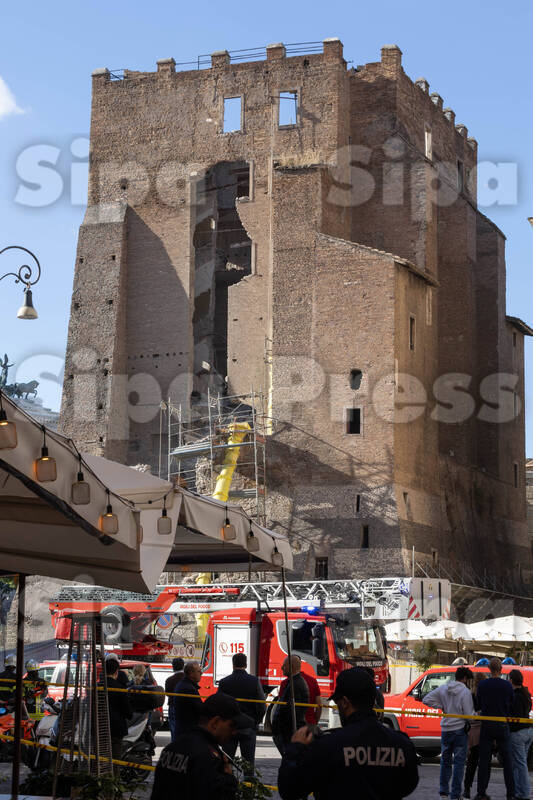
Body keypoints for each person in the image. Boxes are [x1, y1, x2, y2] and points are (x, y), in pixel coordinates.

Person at [278, 666, 419, 800]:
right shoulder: (402, 745)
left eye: (338, 703)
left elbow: (290, 790)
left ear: (344, 702)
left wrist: (295, 748)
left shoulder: (328, 746)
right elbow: (409, 785)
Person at [151, 693, 250, 800]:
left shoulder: (172, 748)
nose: (234, 732)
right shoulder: (208, 757)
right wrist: (228, 779)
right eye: (232, 725)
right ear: (215, 722)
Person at [424, 666, 474, 800]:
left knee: (445, 762)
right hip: (459, 731)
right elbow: (469, 715)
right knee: (458, 763)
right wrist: (476, 715)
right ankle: (456, 794)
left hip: (446, 729)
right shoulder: (465, 692)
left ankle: (443, 793)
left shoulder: (444, 688)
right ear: (464, 678)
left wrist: (442, 707)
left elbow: (426, 699)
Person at [475, 656, 515, 800]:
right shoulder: (507, 686)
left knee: (484, 760)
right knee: (507, 761)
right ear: (501, 669)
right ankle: (511, 793)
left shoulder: (482, 685)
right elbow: (511, 704)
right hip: (502, 724)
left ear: (489, 669)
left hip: (487, 724)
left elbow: (478, 705)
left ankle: (481, 792)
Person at [218, 653, 265, 772]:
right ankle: (248, 788)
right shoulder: (254, 681)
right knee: (248, 764)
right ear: (246, 664)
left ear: (233, 664)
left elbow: (219, 704)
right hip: (248, 725)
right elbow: (261, 705)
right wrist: (256, 721)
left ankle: (225, 787)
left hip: (229, 726)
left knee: (226, 762)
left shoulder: (224, 682)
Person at [271, 655, 310, 755]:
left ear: (291, 666)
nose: (281, 668)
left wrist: (281, 727)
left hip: (290, 731)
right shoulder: (293, 682)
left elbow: (293, 712)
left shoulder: (295, 684)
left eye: (284, 665)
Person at [104, 657, 133, 772]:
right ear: (116, 672)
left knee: (100, 756)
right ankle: (113, 783)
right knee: (115, 758)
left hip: (98, 727)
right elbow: (128, 711)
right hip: (116, 729)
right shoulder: (119, 689)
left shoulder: (96, 687)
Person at [508, 668, 533, 800]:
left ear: (511, 680)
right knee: (519, 763)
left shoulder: (515, 696)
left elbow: (514, 716)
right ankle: (519, 792)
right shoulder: (526, 693)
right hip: (529, 731)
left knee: (520, 764)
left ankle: (523, 793)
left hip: (518, 733)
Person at [464, 672, 487, 798]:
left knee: (471, 763)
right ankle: (481, 791)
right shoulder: (485, 694)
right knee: (483, 763)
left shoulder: (470, 694)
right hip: (483, 730)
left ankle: (467, 789)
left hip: (472, 731)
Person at [173, 661, 203, 736]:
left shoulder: (185, 685)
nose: (201, 673)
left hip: (184, 730)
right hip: (187, 732)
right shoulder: (188, 688)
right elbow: (200, 709)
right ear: (191, 673)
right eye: (199, 671)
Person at [165, 657, 184, 742]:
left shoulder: (169, 680)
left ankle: (175, 744)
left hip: (173, 706)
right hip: (185, 707)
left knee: (173, 728)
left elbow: (167, 693)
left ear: (173, 667)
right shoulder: (188, 679)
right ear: (183, 666)